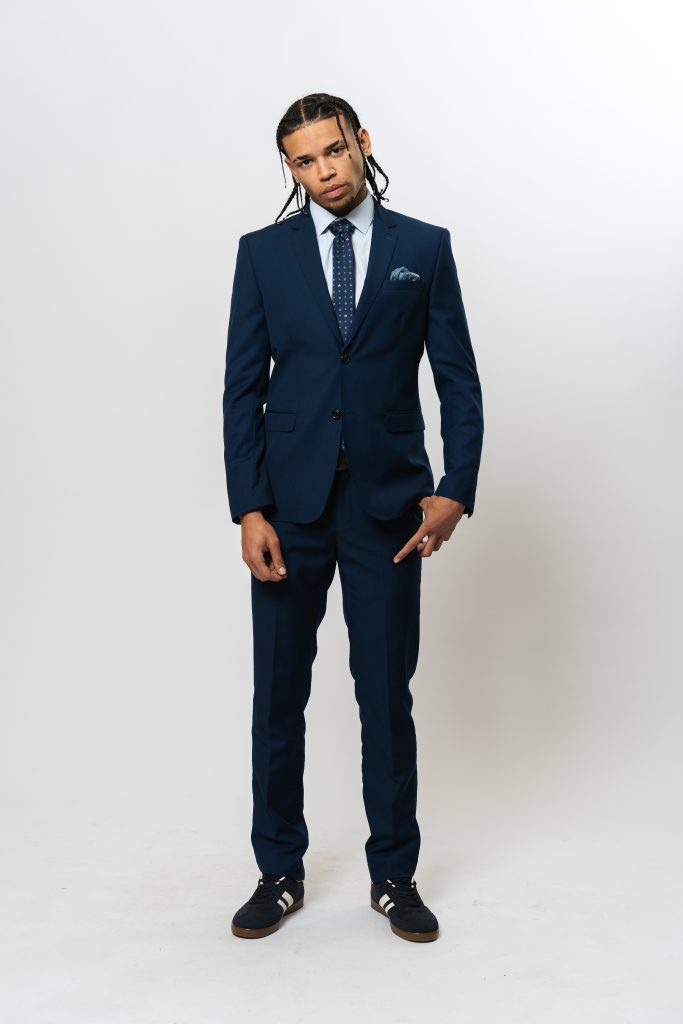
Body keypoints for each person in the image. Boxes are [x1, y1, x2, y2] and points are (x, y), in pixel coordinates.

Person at [223, 93, 484, 942]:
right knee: (277, 698)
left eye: (333, 151)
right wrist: (248, 505)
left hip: (388, 508)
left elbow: (456, 376)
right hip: (289, 509)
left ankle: (394, 876)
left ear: (361, 142)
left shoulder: (423, 247)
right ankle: (278, 870)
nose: (324, 172)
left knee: (383, 697)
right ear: (289, 168)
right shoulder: (262, 254)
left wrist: (455, 486)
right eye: (303, 161)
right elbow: (241, 389)